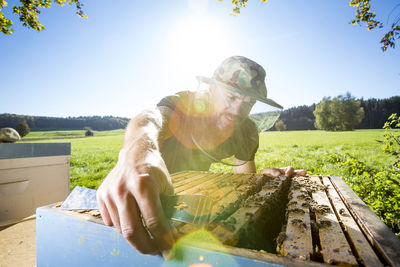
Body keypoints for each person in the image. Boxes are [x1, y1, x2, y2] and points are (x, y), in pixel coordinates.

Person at [96, 56, 306, 259]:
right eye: (231, 97)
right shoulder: (186, 104)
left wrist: (264, 181)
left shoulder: (246, 130)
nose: (237, 110)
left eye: (248, 104)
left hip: (191, 204)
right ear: (212, 88)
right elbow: (151, 119)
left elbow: (243, 182)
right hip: (146, 186)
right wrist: (140, 152)